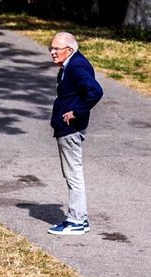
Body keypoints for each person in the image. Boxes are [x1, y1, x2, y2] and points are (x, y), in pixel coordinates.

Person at [47, 32, 103, 236]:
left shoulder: (77, 66)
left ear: (69, 50)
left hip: (70, 128)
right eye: (50, 48)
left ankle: (77, 221)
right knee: (72, 173)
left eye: (56, 49)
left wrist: (77, 112)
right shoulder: (71, 64)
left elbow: (95, 91)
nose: (52, 52)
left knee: (73, 175)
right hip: (67, 127)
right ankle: (79, 218)